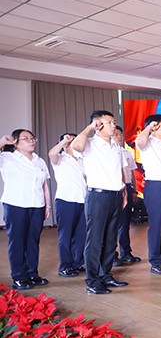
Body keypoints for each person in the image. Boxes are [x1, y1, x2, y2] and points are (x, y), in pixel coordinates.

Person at [71, 111, 129, 295]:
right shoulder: (89, 143)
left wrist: (124, 191)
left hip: (115, 195)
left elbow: (118, 170)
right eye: (108, 122)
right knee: (95, 239)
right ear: (98, 125)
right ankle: (92, 279)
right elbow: (76, 145)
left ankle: (106, 275)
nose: (113, 125)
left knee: (111, 240)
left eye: (113, 122)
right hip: (98, 196)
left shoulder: (115, 145)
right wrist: (89, 127)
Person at [0, 129, 51, 290]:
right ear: (15, 142)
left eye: (32, 138)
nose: (31, 141)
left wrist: (47, 205)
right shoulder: (7, 157)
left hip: (37, 205)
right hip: (16, 205)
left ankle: (32, 274)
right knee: (17, 241)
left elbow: (44, 185)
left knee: (33, 241)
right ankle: (18, 277)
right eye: (26, 139)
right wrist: (2, 142)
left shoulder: (39, 160)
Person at [135, 114, 161, 275]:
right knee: (157, 224)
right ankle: (156, 261)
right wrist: (148, 128)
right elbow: (139, 142)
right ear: (153, 128)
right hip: (156, 186)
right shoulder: (147, 142)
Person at [48, 133, 86, 278]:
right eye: (71, 141)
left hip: (83, 200)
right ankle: (65, 266)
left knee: (81, 235)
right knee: (65, 235)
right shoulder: (60, 159)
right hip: (65, 201)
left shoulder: (82, 160)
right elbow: (51, 154)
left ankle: (77, 263)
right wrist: (64, 140)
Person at [114, 125, 140, 265]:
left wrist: (134, 190)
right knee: (113, 224)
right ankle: (112, 255)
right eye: (116, 134)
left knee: (125, 223)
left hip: (128, 188)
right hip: (114, 189)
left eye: (120, 134)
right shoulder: (108, 153)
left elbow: (132, 174)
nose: (119, 136)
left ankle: (126, 252)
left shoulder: (126, 153)